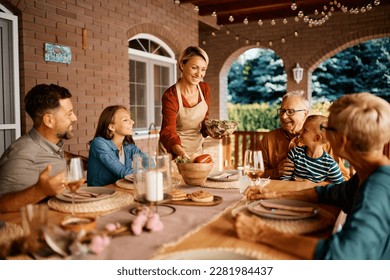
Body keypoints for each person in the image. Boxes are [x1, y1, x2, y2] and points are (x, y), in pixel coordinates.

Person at [238, 92, 390, 259]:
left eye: (329, 129)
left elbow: (341, 256)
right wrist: (275, 195)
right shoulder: (369, 174)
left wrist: (262, 233)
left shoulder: (376, 189)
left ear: (343, 140)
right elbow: (330, 192)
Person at [0, 84, 77, 212]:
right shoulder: (23, 155)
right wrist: (39, 190)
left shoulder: (49, 145)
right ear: (49, 120)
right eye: (69, 114)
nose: (74, 118)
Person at [258, 91, 350, 180]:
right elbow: (255, 172)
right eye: (282, 111)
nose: (283, 116)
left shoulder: (324, 141)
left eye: (290, 111)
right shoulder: (268, 139)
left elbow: (344, 179)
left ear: (305, 113)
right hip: (277, 194)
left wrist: (314, 186)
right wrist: (275, 173)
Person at [159, 46, 211, 160]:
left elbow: (203, 123)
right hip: (173, 152)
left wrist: (213, 131)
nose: (199, 74)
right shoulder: (171, 96)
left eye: (203, 69)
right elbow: (168, 132)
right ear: (182, 65)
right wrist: (182, 154)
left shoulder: (204, 89)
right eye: (194, 68)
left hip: (197, 151)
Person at [87, 105, 145, 186]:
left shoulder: (127, 145)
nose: (132, 122)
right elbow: (122, 171)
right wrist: (149, 172)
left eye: (130, 118)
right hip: (100, 195)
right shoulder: (99, 144)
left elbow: (147, 160)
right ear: (111, 127)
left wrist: (155, 164)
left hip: (119, 191)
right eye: (125, 120)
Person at [280, 115, 344, 184]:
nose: (300, 132)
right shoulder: (294, 153)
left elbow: (339, 187)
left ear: (317, 138)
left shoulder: (330, 165)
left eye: (305, 130)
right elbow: (284, 180)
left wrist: (314, 186)